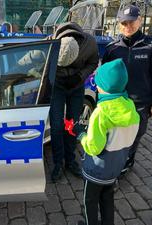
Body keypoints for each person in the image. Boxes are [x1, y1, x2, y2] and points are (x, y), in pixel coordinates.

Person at [102, 5, 152, 173]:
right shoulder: (112, 48)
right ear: (119, 24)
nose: (128, 26)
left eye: (131, 22)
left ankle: (126, 164)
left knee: (134, 137)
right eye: (124, 23)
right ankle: (116, 163)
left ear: (140, 21)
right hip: (116, 103)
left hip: (140, 103)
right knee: (114, 136)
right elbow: (104, 77)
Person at [77, 59, 140, 225]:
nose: (96, 86)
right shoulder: (131, 108)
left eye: (98, 84)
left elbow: (93, 147)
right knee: (107, 199)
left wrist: (82, 136)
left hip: (96, 171)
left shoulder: (101, 113)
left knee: (90, 201)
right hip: (115, 168)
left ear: (104, 87)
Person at [49, 22, 99, 182]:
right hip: (57, 86)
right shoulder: (51, 42)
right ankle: (58, 162)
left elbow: (93, 62)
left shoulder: (90, 43)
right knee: (56, 125)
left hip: (76, 86)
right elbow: (32, 58)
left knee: (72, 123)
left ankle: (70, 160)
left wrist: (80, 76)